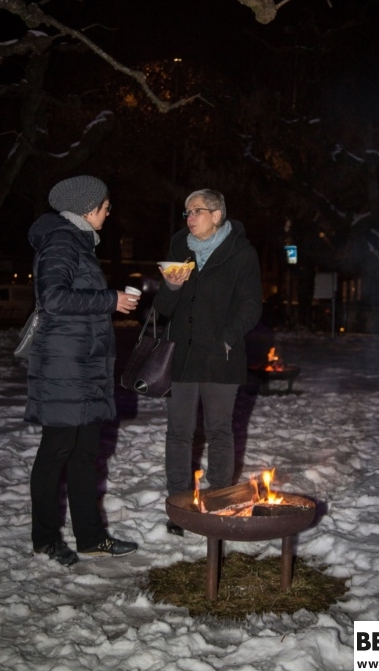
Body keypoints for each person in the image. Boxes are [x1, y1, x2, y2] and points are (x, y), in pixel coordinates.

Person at [25, 175, 139, 565]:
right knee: (56, 450)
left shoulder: (78, 242)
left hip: (85, 364)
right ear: (88, 209)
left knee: (85, 453)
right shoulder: (61, 240)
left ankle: (90, 537)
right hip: (64, 366)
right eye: (105, 206)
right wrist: (110, 299)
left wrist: (109, 300)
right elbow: (53, 298)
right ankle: (45, 539)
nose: (108, 212)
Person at [153, 189, 263, 535]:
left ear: (217, 215)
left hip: (220, 357)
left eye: (197, 211)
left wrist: (226, 338)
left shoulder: (241, 252)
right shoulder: (179, 248)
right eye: (187, 212)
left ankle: (218, 502)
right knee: (178, 433)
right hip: (182, 356)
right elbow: (162, 308)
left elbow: (251, 305)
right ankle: (179, 507)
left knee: (218, 431)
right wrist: (171, 288)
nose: (190, 217)